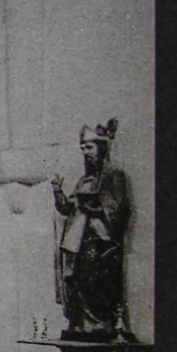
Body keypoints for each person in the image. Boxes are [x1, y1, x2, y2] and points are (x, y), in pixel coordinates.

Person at [52, 120, 130, 340]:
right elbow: (67, 208)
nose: (85, 153)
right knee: (75, 280)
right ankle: (79, 325)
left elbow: (119, 207)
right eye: (83, 148)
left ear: (101, 148)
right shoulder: (83, 180)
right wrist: (57, 191)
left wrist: (97, 207)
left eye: (90, 148)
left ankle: (98, 326)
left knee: (93, 282)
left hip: (97, 239)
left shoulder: (113, 174)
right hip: (76, 241)